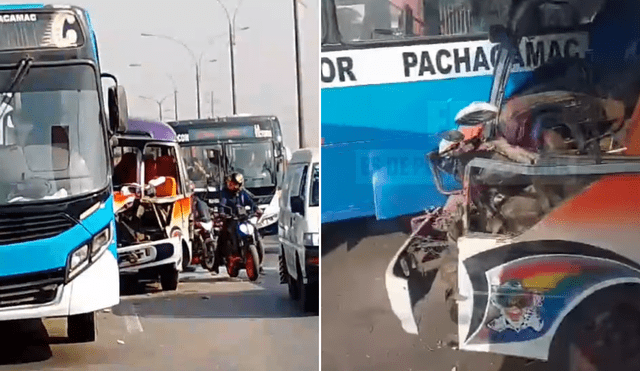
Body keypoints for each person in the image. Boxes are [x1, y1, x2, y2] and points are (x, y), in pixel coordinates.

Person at [215, 172, 265, 275]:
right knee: (223, 236)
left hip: (243, 219)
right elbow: (222, 204)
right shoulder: (225, 193)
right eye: (230, 183)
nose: (231, 185)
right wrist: (222, 212)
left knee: (256, 232)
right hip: (231, 219)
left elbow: (251, 203)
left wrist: (256, 210)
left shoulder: (243, 194)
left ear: (239, 185)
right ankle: (217, 263)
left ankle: (259, 262)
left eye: (234, 183)